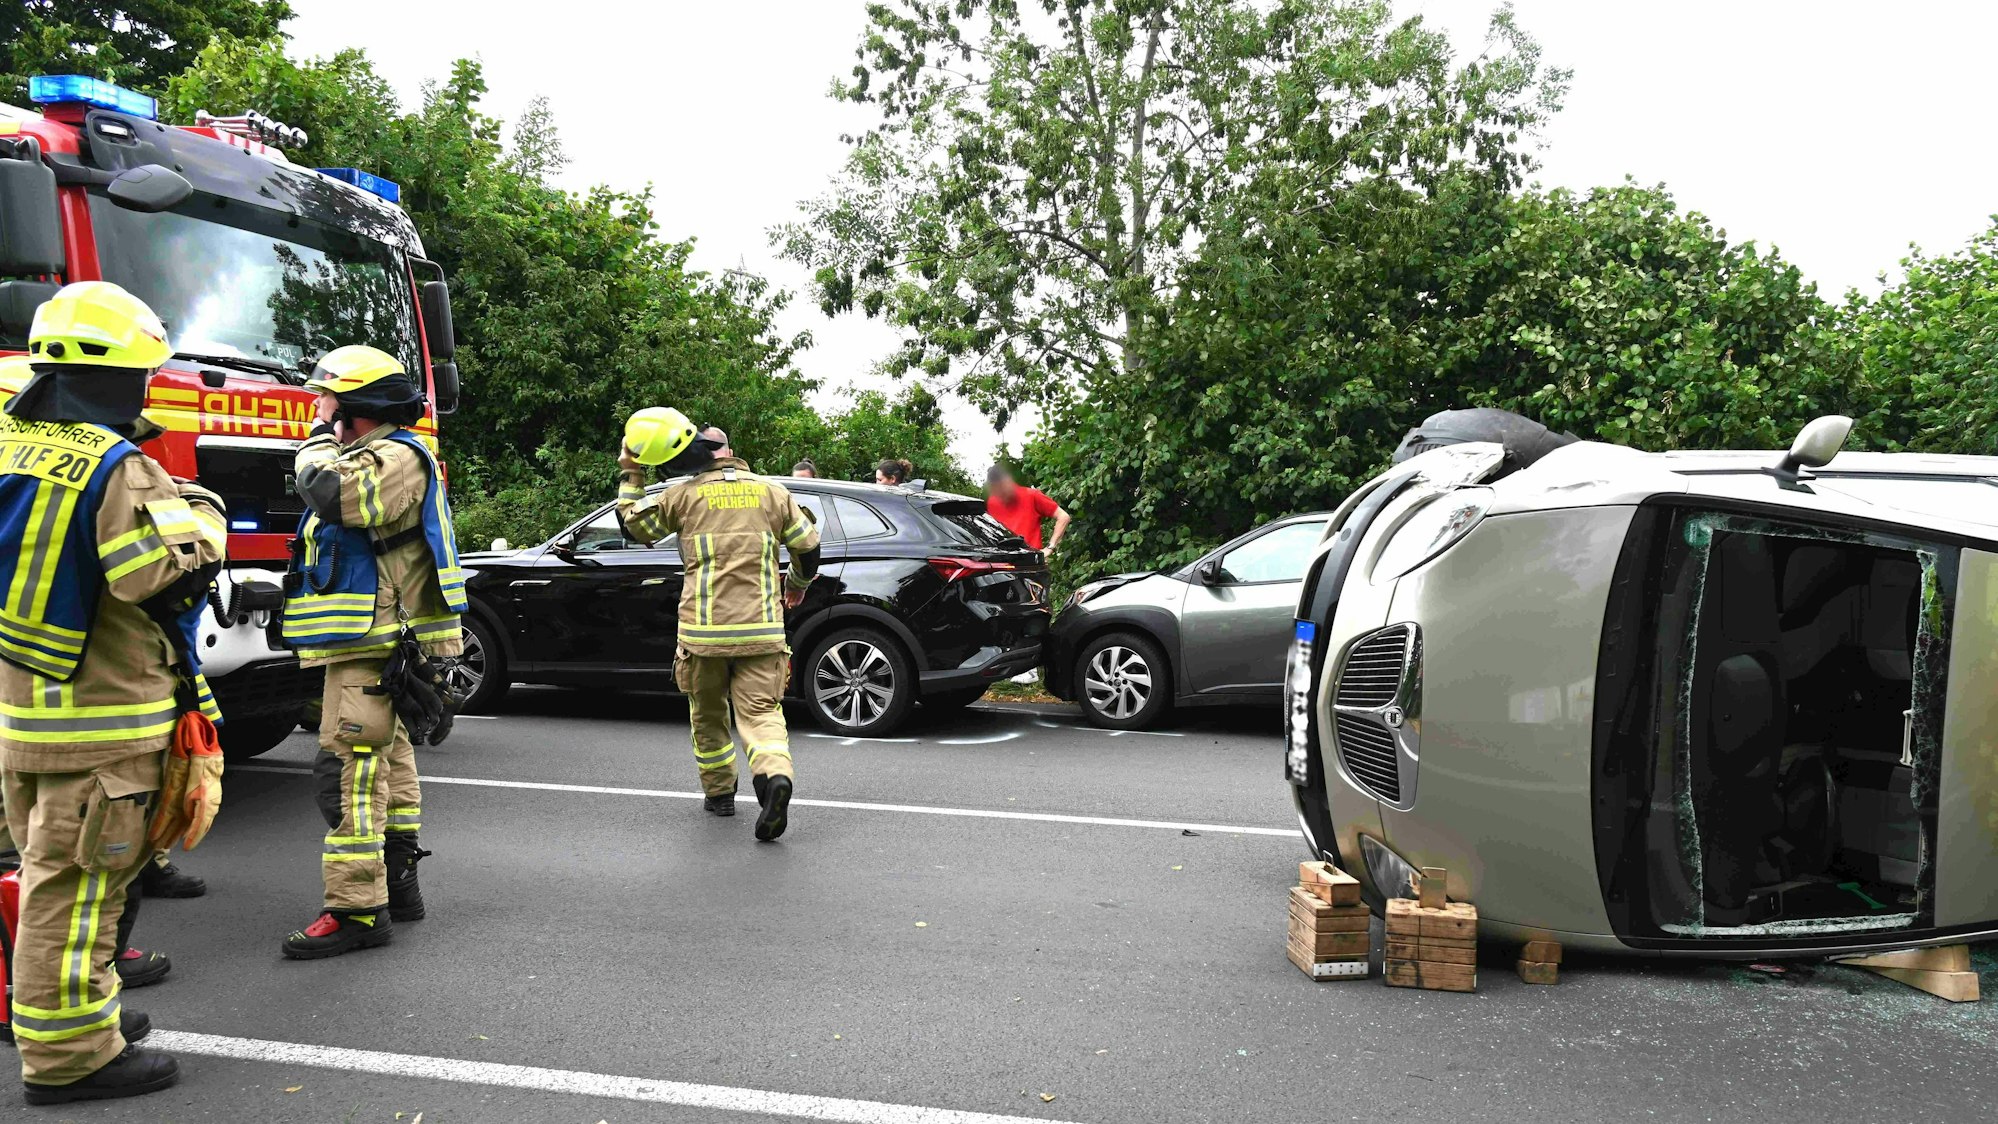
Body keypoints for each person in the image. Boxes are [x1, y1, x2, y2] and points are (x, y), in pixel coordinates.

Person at [0, 282, 228, 1104]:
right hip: (100, 722)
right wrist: (200, 513)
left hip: (29, 709)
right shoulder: (115, 465)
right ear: (114, 374)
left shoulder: (8, 441)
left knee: (47, 871)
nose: (148, 389)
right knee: (78, 890)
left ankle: (82, 1020)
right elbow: (152, 575)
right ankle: (68, 1059)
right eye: (143, 374)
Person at [278, 345, 465, 959]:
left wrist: (312, 441)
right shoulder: (373, 452)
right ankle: (398, 885)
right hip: (368, 641)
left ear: (354, 403)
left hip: (373, 641)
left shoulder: (393, 457)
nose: (316, 404)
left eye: (325, 396)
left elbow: (333, 496)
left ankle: (358, 911)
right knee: (390, 764)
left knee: (349, 775)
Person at [617, 408, 820, 840]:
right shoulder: (773, 493)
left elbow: (634, 527)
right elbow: (809, 545)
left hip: (702, 635)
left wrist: (631, 472)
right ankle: (773, 779)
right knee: (762, 715)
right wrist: (798, 584)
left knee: (708, 716)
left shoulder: (684, 495)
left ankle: (720, 796)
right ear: (731, 451)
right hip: (762, 631)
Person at [985, 466, 1071, 554]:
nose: (1001, 493)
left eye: (1002, 487)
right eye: (996, 489)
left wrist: (1050, 547)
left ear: (1009, 481)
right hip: (1002, 562)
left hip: (1030, 562)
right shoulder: (992, 503)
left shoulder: (1031, 495)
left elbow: (1063, 517)